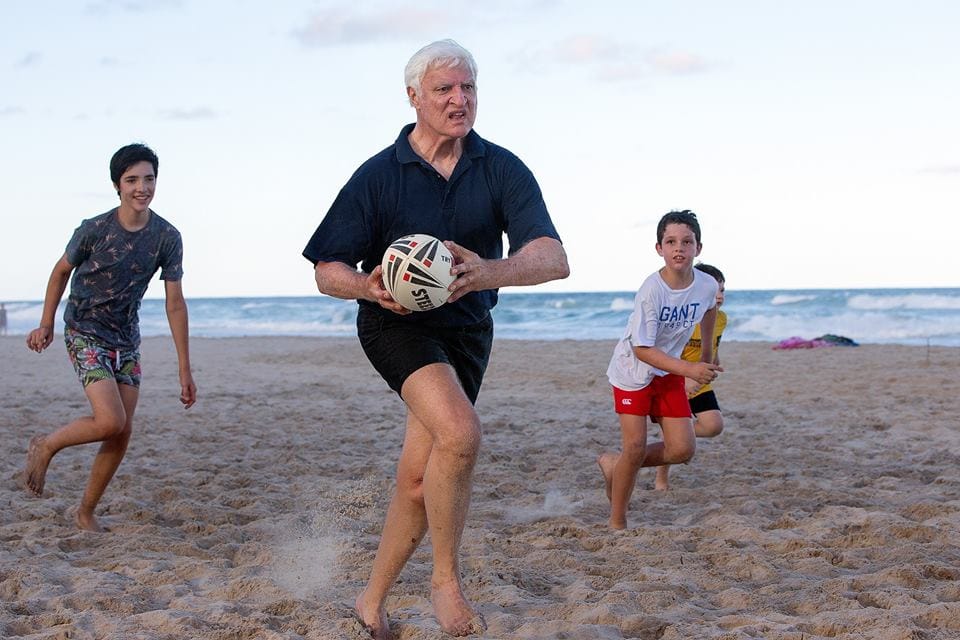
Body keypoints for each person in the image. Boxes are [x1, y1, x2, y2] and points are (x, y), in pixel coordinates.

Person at [303, 39, 568, 639]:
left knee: (420, 479)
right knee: (460, 432)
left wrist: (488, 271)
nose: (459, 99)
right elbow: (327, 269)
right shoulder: (378, 175)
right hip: (395, 326)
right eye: (445, 89)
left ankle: (370, 603)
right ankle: (445, 580)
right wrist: (370, 289)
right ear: (414, 96)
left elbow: (553, 258)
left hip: (468, 332)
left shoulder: (499, 167)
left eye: (468, 87)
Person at [22, 143, 197, 533]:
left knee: (123, 430)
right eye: (132, 179)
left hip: (125, 340)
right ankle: (46, 445)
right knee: (109, 420)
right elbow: (59, 273)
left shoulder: (167, 236)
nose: (142, 187)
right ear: (117, 185)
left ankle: (85, 511)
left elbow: (175, 304)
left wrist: (184, 368)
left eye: (149, 178)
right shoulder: (94, 229)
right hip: (84, 331)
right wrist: (46, 322)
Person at [597, 210, 720, 530]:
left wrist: (706, 355)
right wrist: (689, 369)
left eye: (687, 241)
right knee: (635, 446)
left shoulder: (705, 285)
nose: (679, 248)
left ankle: (617, 464)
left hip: (668, 371)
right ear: (659, 248)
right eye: (671, 242)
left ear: (698, 248)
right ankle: (617, 523)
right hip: (632, 372)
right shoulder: (652, 290)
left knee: (683, 448)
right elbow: (642, 348)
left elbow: (710, 310)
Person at [653, 262, 727, 491]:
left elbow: (713, 344)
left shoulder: (721, 318)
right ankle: (661, 479)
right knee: (675, 438)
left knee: (714, 425)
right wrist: (684, 378)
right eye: (714, 290)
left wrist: (715, 361)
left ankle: (678, 437)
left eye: (723, 290)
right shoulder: (685, 317)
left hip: (700, 379)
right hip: (676, 379)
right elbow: (666, 354)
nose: (719, 296)